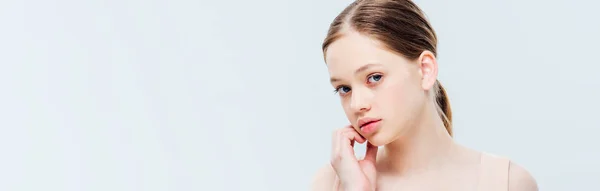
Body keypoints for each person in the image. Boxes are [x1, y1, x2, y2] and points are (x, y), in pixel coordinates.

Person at [310, 0, 538, 190]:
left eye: (375, 77)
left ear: (426, 69)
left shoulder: (506, 182)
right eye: (344, 89)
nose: (357, 104)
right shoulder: (332, 183)